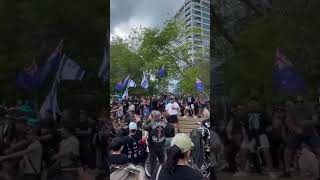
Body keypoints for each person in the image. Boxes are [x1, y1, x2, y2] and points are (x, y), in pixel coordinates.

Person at [234, 98, 277, 178]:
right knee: (243, 152)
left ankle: (271, 171)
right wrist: (246, 138)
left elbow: (270, 124)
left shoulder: (263, 113)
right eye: (251, 103)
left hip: (261, 135)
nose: (252, 105)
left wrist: (267, 130)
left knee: (266, 153)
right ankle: (242, 171)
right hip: (249, 135)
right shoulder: (245, 114)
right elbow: (243, 126)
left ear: (257, 104)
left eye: (254, 103)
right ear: (248, 104)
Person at [282, 96, 320, 178]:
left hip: (310, 132)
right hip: (296, 132)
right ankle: (287, 171)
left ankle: (317, 170)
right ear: (295, 103)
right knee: (288, 151)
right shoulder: (291, 109)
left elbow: (316, 120)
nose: (299, 103)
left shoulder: (309, 108)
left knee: (318, 149)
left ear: (304, 102)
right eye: (297, 102)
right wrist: (295, 129)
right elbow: (288, 121)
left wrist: (306, 122)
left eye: (301, 101)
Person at [143, 110, 168, 176]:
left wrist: (148, 120)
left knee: (153, 163)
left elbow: (144, 126)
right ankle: (163, 175)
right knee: (162, 162)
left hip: (153, 146)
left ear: (153, 116)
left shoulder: (151, 124)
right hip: (162, 145)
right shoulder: (165, 123)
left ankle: (153, 176)